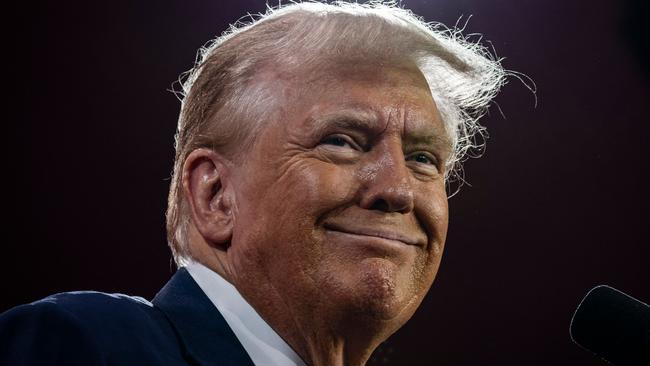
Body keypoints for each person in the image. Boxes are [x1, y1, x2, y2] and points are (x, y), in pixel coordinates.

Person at [0, 1, 506, 365]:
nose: (397, 188)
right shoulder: (90, 345)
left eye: (423, 157)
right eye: (343, 141)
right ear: (214, 195)